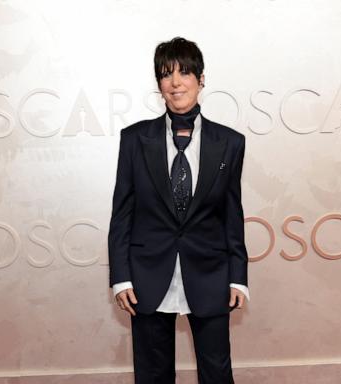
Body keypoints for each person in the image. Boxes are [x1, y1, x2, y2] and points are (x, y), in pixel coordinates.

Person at [108, 36, 249, 384]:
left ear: (201, 80)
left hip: (211, 272)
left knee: (217, 372)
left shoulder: (230, 142)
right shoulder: (134, 139)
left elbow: (232, 214)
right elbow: (122, 212)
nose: (175, 82)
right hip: (147, 274)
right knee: (152, 375)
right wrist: (120, 277)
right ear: (158, 84)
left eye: (185, 73)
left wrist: (238, 277)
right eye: (166, 74)